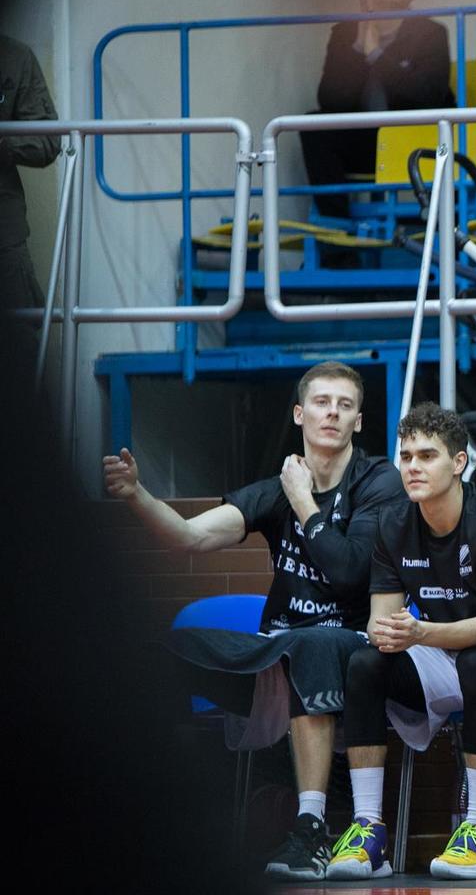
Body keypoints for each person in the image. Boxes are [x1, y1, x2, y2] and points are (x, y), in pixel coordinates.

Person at [101, 361, 405, 881]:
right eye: (321, 402)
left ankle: (311, 828)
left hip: (353, 649)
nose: (332, 413)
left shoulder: (378, 482)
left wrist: (303, 501)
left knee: (309, 644)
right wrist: (137, 495)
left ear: (358, 421)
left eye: (345, 405)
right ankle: (165, 813)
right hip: (280, 649)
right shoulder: (275, 489)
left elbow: (351, 571)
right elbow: (190, 538)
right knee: (171, 648)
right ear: (299, 413)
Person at [324, 404, 476, 880]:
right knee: (365, 662)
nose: (412, 467)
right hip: (434, 655)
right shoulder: (392, 522)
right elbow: (381, 621)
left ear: (458, 462)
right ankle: (368, 830)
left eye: (427, 456)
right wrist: (385, 633)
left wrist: (419, 632)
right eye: (406, 456)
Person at [300, 0, 453, 219]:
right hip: (365, 142)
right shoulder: (345, 32)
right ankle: (338, 234)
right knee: (314, 127)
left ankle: (442, 235)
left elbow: (428, 95)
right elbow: (330, 100)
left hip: (413, 141)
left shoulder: (432, 33)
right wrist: (358, 49)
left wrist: (377, 55)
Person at [0, 35, 59, 367]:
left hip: (4, 238)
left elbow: (48, 140)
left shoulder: (13, 56)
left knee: (16, 351)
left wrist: (5, 145)